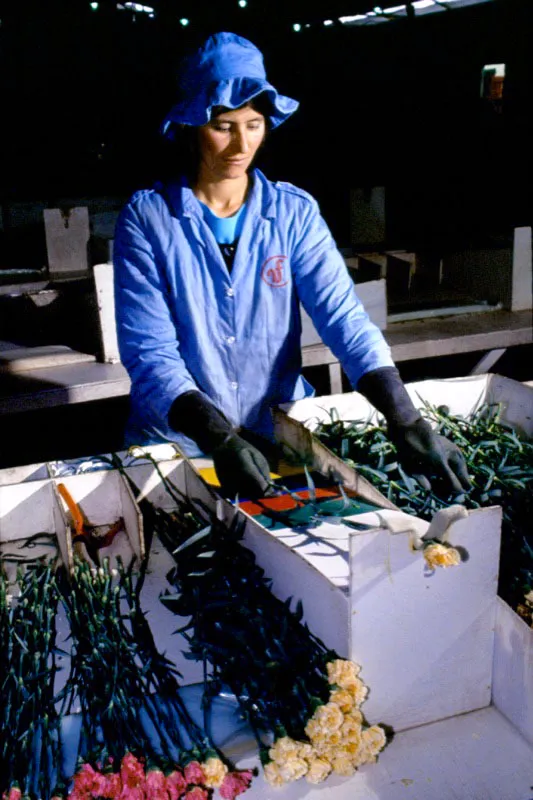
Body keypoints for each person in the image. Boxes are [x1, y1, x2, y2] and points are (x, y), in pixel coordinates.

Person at [114, 31, 470, 499]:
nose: (241, 143)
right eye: (223, 125)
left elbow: (343, 319)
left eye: (255, 123)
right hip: (181, 444)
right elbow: (151, 355)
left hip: (277, 434)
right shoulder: (150, 218)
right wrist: (218, 437)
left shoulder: (292, 213)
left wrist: (405, 418)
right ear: (191, 125)